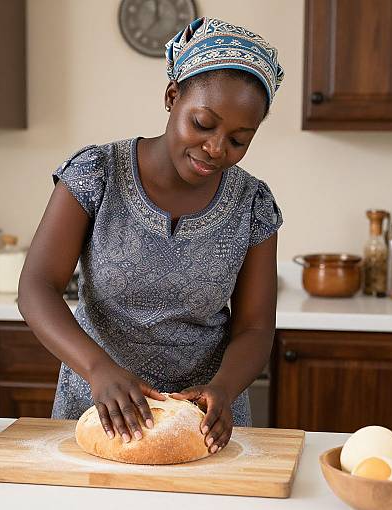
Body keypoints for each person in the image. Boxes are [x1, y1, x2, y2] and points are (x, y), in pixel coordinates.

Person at [18, 16, 284, 455]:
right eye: (202, 123)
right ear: (172, 96)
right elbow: (36, 287)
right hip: (97, 409)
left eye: (238, 139)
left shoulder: (252, 204)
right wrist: (99, 369)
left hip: (201, 425)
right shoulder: (97, 173)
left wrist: (224, 388)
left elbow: (255, 326)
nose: (216, 148)